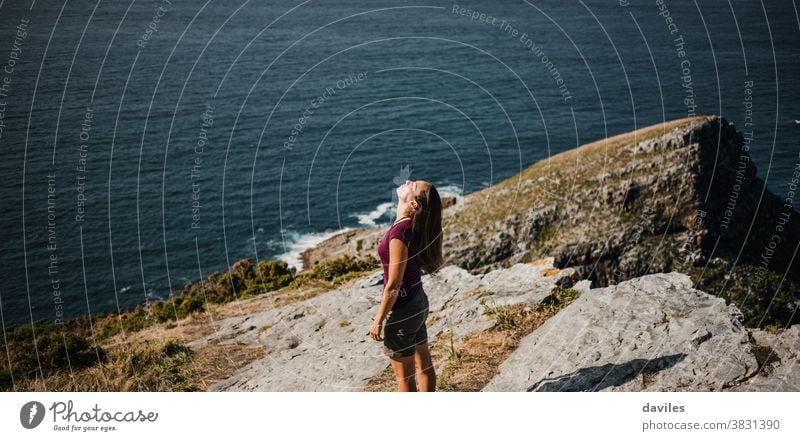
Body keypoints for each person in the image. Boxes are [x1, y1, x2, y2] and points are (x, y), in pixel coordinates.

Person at [368, 179, 444, 392]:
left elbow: (393, 285)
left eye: (413, 185)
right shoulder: (413, 227)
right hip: (417, 301)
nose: (408, 181)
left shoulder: (399, 233)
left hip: (403, 310)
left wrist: (378, 320)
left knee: (405, 378)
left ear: (414, 205)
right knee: (424, 365)